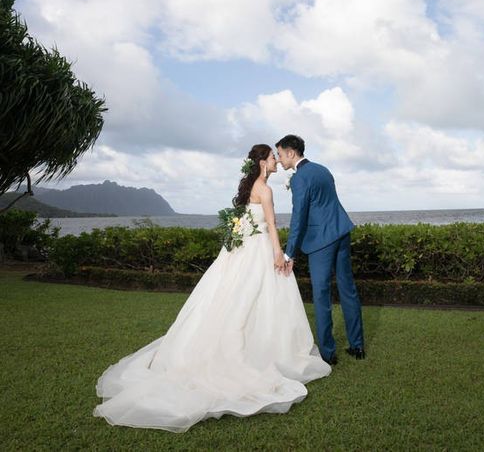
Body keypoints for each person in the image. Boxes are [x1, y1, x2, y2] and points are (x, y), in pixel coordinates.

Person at [93, 144, 331, 433]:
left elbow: (242, 223)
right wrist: (279, 254)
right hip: (259, 250)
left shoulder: (248, 189)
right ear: (261, 162)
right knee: (260, 299)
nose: (276, 162)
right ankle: (268, 351)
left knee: (235, 299)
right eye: (272, 158)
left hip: (242, 251)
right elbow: (270, 224)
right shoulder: (265, 190)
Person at [276, 135, 365, 365]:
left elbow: (299, 217)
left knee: (321, 295)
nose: (279, 159)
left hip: (321, 242)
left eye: (280, 154)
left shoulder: (299, 178)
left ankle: (328, 353)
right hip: (341, 232)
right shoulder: (323, 170)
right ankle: (357, 345)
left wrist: (289, 252)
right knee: (348, 290)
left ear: (291, 153)